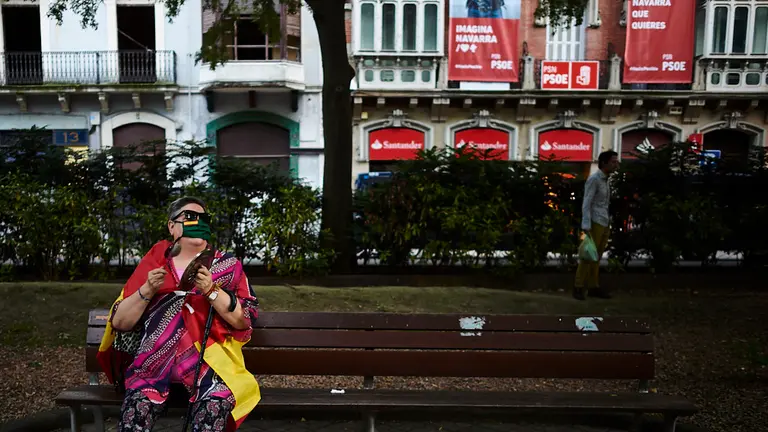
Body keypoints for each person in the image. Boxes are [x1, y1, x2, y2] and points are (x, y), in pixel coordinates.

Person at [96, 196, 261, 431]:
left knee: (213, 409)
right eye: (189, 217)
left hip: (210, 369)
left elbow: (244, 318)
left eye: (202, 218)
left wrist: (212, 291)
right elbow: (121, 321)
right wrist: (148, 290)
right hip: (151, 367)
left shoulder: (226, 265)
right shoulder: (154, 262)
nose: (197, 222)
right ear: (171, 226)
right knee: (134, 419)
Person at [574, 151, 619, 301]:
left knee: (596, 256)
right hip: (594, 221)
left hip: (604, 221)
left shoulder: (606, 180)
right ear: (604, 163)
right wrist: (586, 224)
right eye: (613, 161)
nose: (616, 164)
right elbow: (587, 202)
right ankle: (579, 286)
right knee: (588, 255)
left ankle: (593, 286)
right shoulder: (594, 179)